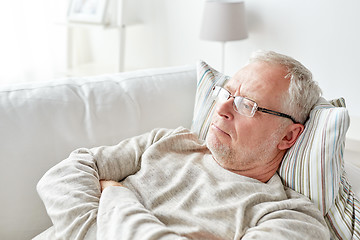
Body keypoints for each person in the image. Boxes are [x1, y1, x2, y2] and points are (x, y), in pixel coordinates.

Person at [37, 50, 330, 239]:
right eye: (225, 94)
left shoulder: (290, 218)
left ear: (288, 136)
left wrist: (114, 194)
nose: (222, 109)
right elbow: (64, 174)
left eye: (246, 105)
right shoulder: (169, 141)